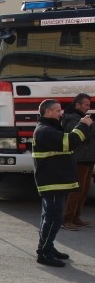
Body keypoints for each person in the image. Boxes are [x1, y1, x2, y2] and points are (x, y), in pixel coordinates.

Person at [32, 99, 92, 267]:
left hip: (55, 181)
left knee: (49, 217)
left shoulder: (49, 129)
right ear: (48, 112)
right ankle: (44, 253)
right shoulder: (45, 131)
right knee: (53, 218)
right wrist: (83, 124)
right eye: (58, 110)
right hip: (53, 183)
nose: (61, 113)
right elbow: (71, 141)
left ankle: (47, 247)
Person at [61, 93, 94, 230]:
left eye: (89, 105)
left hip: (88, 158)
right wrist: (89, 125)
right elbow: (82, 135)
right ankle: (66, 219)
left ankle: (76, 217)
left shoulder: (81, 118)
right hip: (79, 159)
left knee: (84, 190)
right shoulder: (71, 119)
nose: (88, 107)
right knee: (76, 191)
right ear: (77, 105)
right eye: (86, 104)